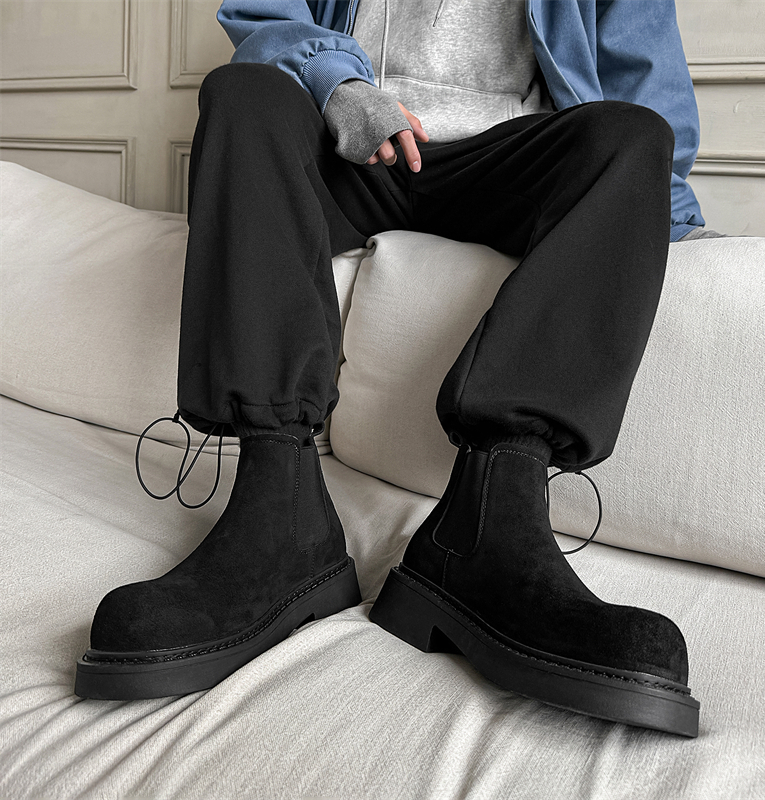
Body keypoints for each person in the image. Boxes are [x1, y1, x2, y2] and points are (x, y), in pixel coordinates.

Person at [74, 0, 704, 737]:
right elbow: (263, 11)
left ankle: (489, 524)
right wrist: (337, 85)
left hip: (512, 160)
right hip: (349, 148)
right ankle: (281, 514)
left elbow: (643, 74)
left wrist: (656, 214)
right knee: (243, 93)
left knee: (634, 135)